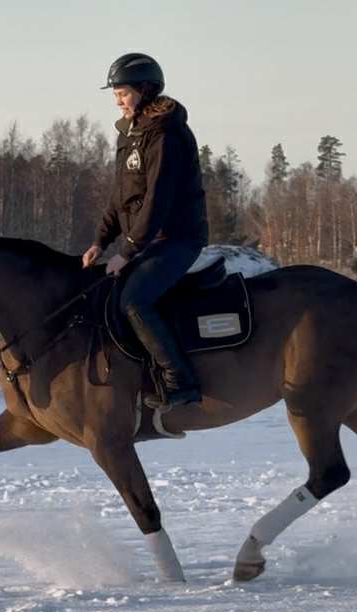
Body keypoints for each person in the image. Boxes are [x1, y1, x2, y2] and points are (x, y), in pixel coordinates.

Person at [81, 53, 209, 411]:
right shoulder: (130, 133)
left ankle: (178, 379)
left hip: (178, 239)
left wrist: (127, 250)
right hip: (147, 240)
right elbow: (120, 196)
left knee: (133, 300)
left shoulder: (165, 134)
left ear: (144, 90)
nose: (117, 101)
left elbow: (158, 199)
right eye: (115, 95)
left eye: (122, 93)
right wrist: (99, 241)